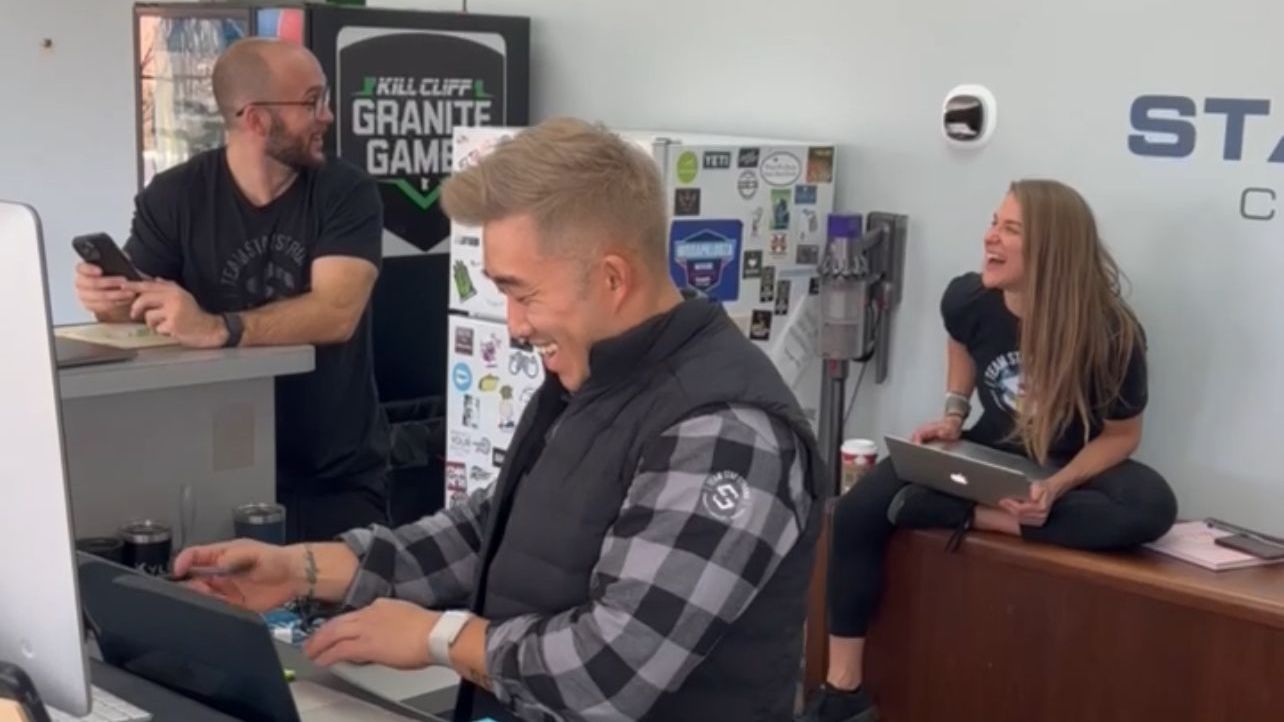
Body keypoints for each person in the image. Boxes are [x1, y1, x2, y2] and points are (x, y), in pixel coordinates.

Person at [175, 118, 824, 722]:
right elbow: (495, 530)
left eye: (523, 292)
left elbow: (609, 671)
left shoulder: (726, 435)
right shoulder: (593, 378)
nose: (513, 326)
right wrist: (304, 570)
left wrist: (438, 637)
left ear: (612, 278)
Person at [800, 179, 1178, 722]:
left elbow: (1122, 435)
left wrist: (1055, 485)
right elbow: (959, 342)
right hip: (992, 448)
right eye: (992, 223)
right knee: (858, 509)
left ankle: (969, 516)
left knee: (1150, 505)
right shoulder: (969, 297)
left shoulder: (1111, 332)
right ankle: (843, 692)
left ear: (1050, 247)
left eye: (1010, 229)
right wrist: (954, 414)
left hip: (1069, 465)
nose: (989, 238)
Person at [73, 38, 390, 542]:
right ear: (256, 119)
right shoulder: (175, 196)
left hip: (333, 475)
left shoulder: (345, 192)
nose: (327, 116)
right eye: (312, 102)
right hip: (210, 471)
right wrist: (110, 303)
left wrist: (218, 328)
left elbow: (337, 312)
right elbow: (140, 307)